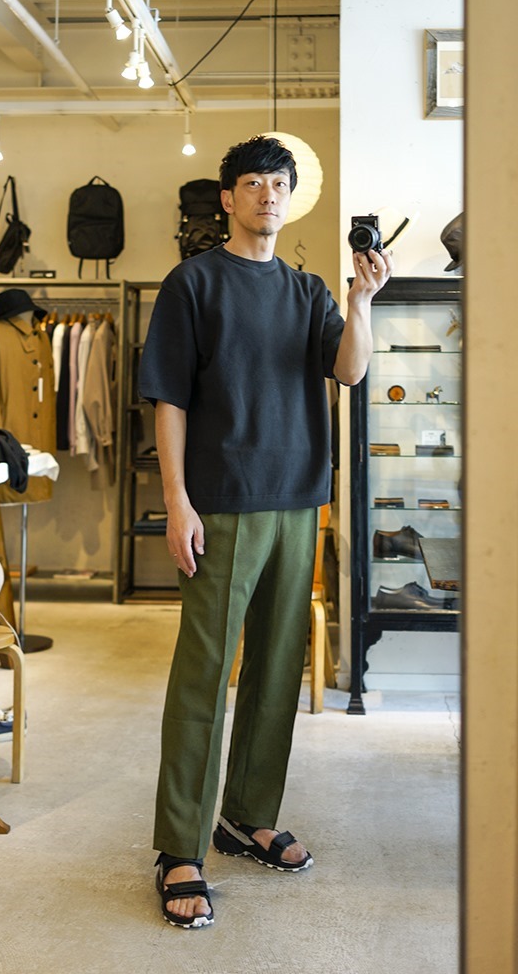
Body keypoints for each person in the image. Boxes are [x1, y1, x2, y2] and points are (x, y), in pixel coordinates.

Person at [138, 134, 392, 928]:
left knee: (279, 668)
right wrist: (177, 500)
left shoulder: (307, 290)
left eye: (279, 184)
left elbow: (349, 369)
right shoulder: (193, 283)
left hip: (298, 499)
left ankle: (246, 816)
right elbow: (169, 399)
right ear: (228, 198)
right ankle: (179, 846)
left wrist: (361, 301)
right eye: (253, 183)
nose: (268, 195)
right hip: (220, 502)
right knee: (205, 674)